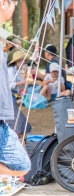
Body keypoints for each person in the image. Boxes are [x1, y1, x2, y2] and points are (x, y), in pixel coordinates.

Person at [0, 0, 31, 176]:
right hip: (5, 108)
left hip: (4, 112)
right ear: (4, 3)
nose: (17, 5)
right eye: (15, 2)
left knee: (22, 166)